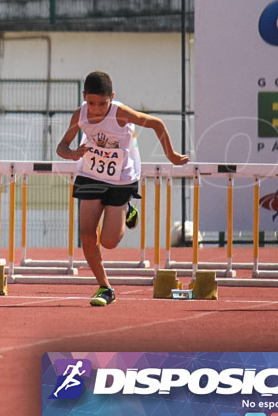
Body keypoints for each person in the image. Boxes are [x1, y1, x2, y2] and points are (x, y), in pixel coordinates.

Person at [56, 71, 189, 306]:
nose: (96, 109)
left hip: (121, 178)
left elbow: (156, 124)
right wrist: (71, 154)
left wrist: (171, 155)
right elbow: (62, 146)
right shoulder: (80, 115)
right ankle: (105, 288)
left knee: (108, 242)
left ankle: (129, 207)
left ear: (112, 97)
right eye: (91, 103)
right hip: (90, 175)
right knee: (87, 235)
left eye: (102, 103)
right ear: (84, 97)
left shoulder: (121, 113)